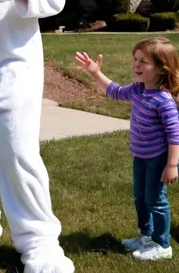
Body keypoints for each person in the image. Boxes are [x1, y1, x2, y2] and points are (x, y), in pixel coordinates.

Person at [75, 37, 179, 261]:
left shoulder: (164, 101)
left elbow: (174, 135)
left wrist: (171, 165)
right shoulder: (137, 90)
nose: (137, 65)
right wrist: (94, 72)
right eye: (135, 59)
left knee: (155, 199)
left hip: (158, 158)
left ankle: (163, 245)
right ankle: (147, 235)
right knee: (140, 197)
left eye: (144, 61)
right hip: (140, 155)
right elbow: (114, 91)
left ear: (162, 68)